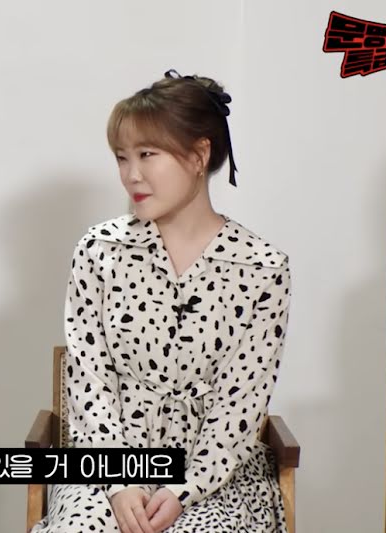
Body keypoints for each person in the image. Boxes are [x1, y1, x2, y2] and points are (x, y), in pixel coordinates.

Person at [32, 70, 293, 533]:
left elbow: (241, 403)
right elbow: (88, 378)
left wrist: (183, 491)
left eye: (148, 155)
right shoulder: (99, 251)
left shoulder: (261, 268)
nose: (131, 175)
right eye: (122, 158)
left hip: (214, 476)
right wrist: (118, 482)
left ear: (199, 155)